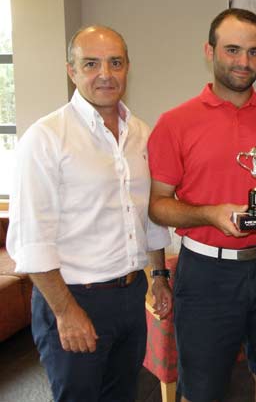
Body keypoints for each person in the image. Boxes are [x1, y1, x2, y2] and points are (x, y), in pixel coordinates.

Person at [147, 8, 256, 402]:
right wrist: (209, 214)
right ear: (210, 51)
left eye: (253, 53)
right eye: (233, 50)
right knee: (202, 390)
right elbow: (158, 206)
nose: (244, 62)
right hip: (205, 273)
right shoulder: (175, 123)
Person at [6, 25, 172, 401]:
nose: (105, 74)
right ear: (72, 70)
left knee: (122, 395)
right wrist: (66, 312)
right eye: (91, 64)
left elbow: (147, 216)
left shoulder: (141, 134)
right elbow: (31, 240)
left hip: (131, 296)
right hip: (74, 297)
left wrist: (159, 275)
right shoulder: (46, 138)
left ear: (128, 67)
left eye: (115, 63)